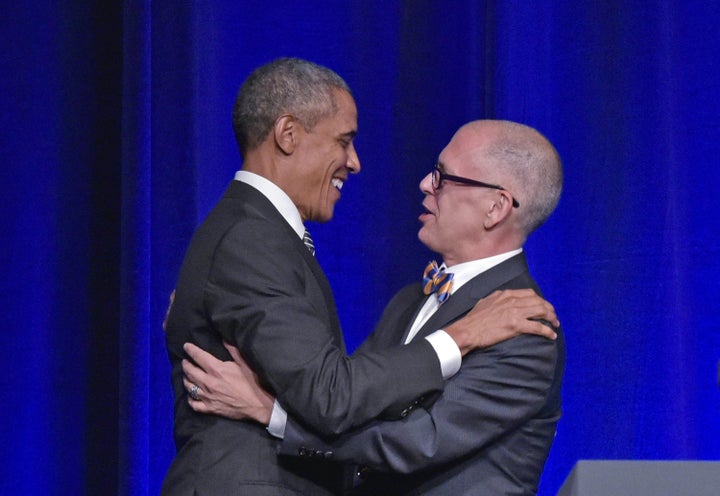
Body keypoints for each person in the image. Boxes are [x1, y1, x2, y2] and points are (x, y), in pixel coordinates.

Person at [162, 56, 558, 496]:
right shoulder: (407, 299)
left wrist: (271, 413)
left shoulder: (523, 325)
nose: (426, 184)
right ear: (287, 135)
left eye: (444, 177)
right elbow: (341, 397)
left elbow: (415, 443)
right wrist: (462, 334)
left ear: (496, 206)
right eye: (344, 141)